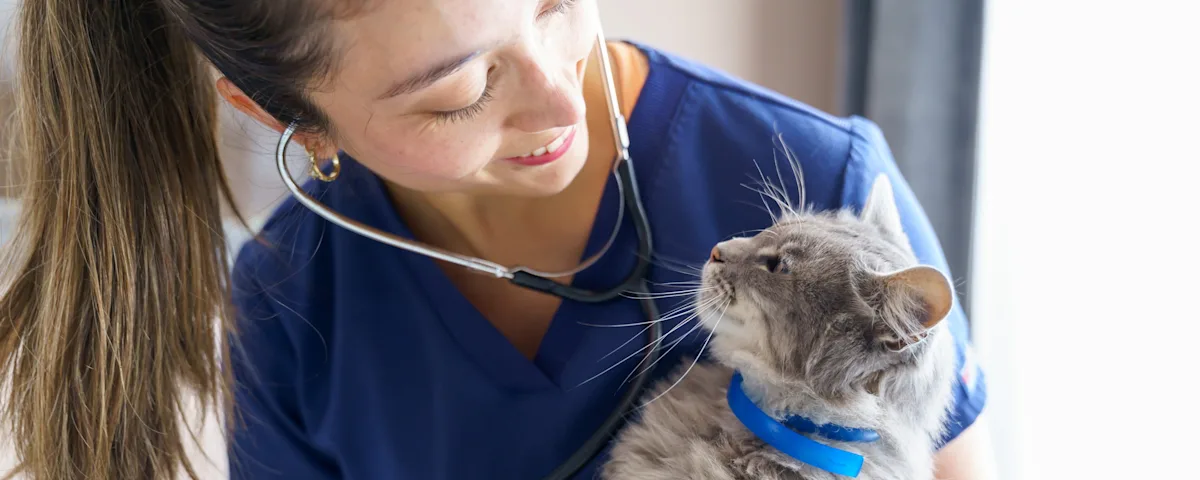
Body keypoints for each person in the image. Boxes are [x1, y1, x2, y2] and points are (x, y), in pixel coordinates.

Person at [0, 0, 995, 479]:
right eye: (464, 90)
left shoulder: (820, 187)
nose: (561, 93)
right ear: (288, 119)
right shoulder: (290, 312)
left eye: (557, 2)